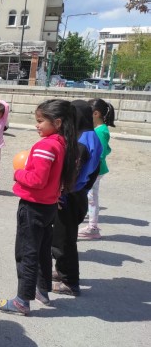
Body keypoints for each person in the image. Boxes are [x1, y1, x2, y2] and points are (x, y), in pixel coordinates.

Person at [0, 99, 78, 316]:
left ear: (57, 122)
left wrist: (18, 173)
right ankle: (42, 290)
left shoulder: (45, 145)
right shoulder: (63, 143)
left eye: (40, 121)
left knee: (26, 253)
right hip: (48, 206)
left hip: (33, 206)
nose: (36, 125)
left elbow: (37, 180)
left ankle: (22, 300)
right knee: (41, 250)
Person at [50, 100, 102, 297]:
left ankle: (70, 282)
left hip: (69, 197)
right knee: (64, 237)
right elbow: (95, 170)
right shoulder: (91, 136)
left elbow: (72, 172)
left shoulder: (82, 141)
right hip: (77, 195)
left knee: (64, 241)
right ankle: (63, 271)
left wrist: (62, 193)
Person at [79, 98, 115, 240]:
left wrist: (88, 168)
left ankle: (92, 227)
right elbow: (107, 149)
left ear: (96, 114)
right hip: (94, 169)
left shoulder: (100, 131)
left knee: (92, 198)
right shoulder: (100, 129)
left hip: (95, 170)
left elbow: (100, 153)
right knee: (90, 197)